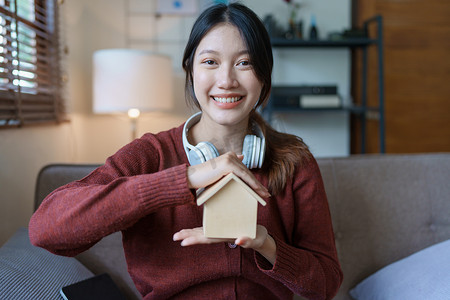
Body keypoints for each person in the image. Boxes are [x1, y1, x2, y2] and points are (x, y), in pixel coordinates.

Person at [29, 3, 343, 300]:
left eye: (244, 63)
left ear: (264, 75)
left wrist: (265, 243)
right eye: (210, 62)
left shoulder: (294, 160)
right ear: (190, 71)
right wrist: (183, 179)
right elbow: (47, 230)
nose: (226, 80)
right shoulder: (150, 154)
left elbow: (325, 284)